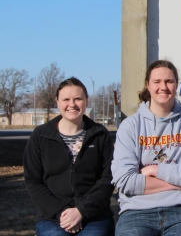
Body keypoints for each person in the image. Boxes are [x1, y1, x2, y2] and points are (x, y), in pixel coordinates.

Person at [112, 60, 181, 235]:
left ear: (176, 85)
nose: (163, 87)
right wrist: (180, 185)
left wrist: (155, 169)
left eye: (169, 81)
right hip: (137, 211)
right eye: (157, 82)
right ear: (148, 85)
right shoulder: (130, 126)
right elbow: (125, 181)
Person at [24, 77, 115, 235]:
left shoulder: (100, 135)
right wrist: (64, 214)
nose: (72, 104)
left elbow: (108, 179)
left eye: (78, 99)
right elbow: (33, 181)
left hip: (95, 216)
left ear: (86, 101)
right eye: (66, 99)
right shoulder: (41, 136)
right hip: (52, 218)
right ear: (57, 101)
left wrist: (81, 211)